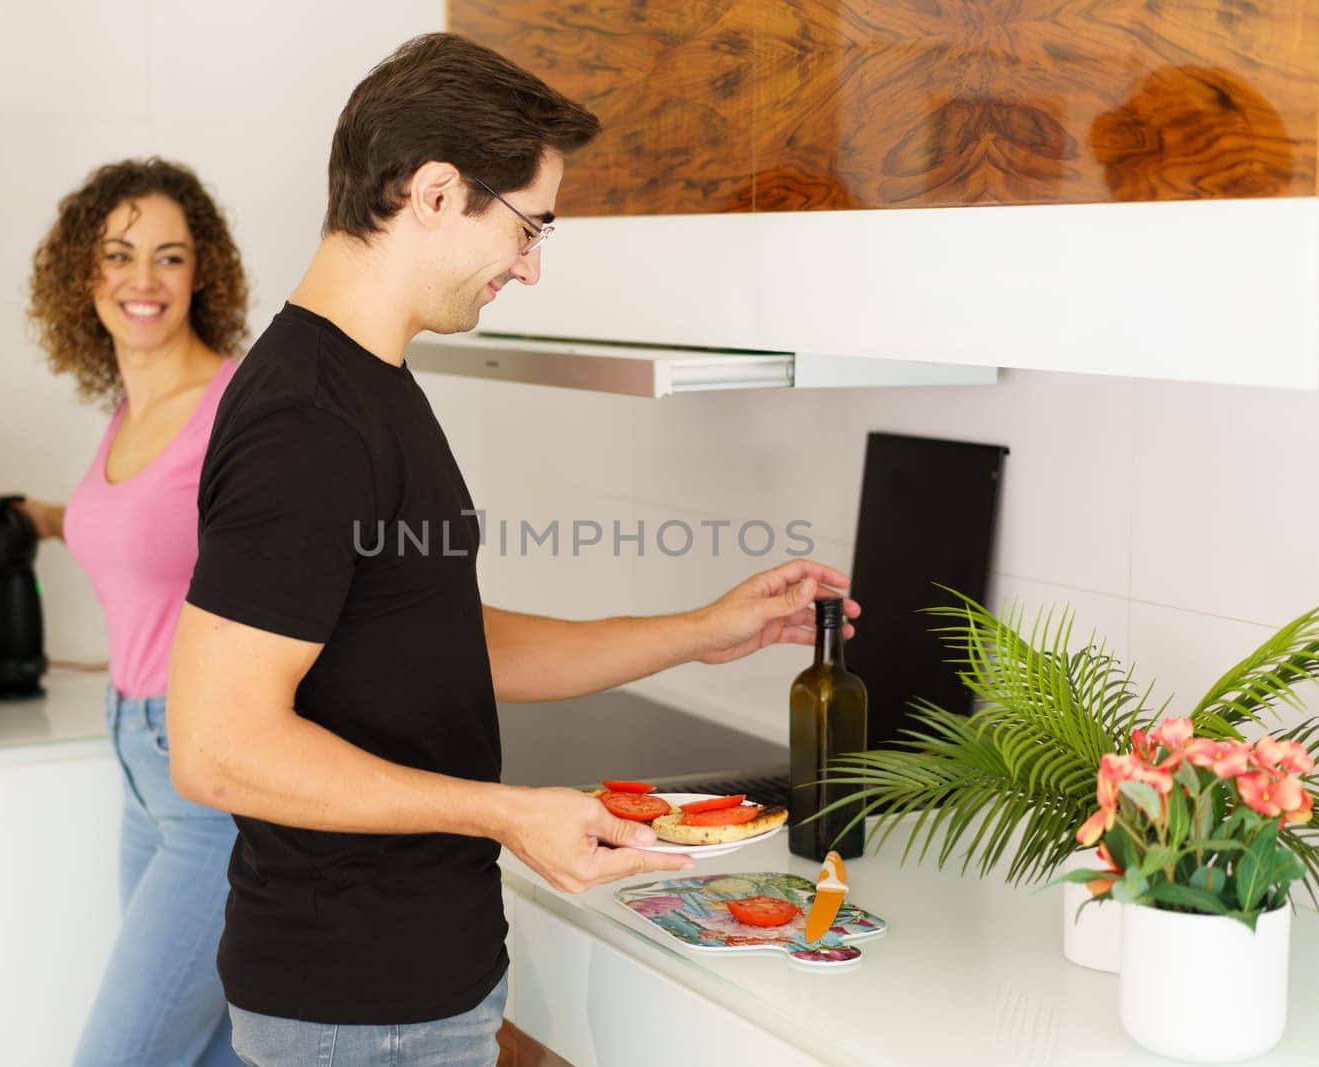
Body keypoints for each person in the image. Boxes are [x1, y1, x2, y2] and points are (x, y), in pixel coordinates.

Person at [166, 33, 860, 1066]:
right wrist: (504, 812)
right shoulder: (307, 420)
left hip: (406, 989)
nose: (529, 266)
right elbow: (217, 747)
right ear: (436, 191)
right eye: (528, 225)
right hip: (362, 1005)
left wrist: (702, 629)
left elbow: (438, 645)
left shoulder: (370, 383)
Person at [18, 157, 250, 1067]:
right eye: (118, 255)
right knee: (208, 1055)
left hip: (207, 782)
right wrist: (40, 517)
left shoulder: (235, 407)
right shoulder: (129, 404)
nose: (142, 282)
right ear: (85, 273)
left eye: (169, 257)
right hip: (136, 766)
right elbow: (147, 533)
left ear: (205, 274)